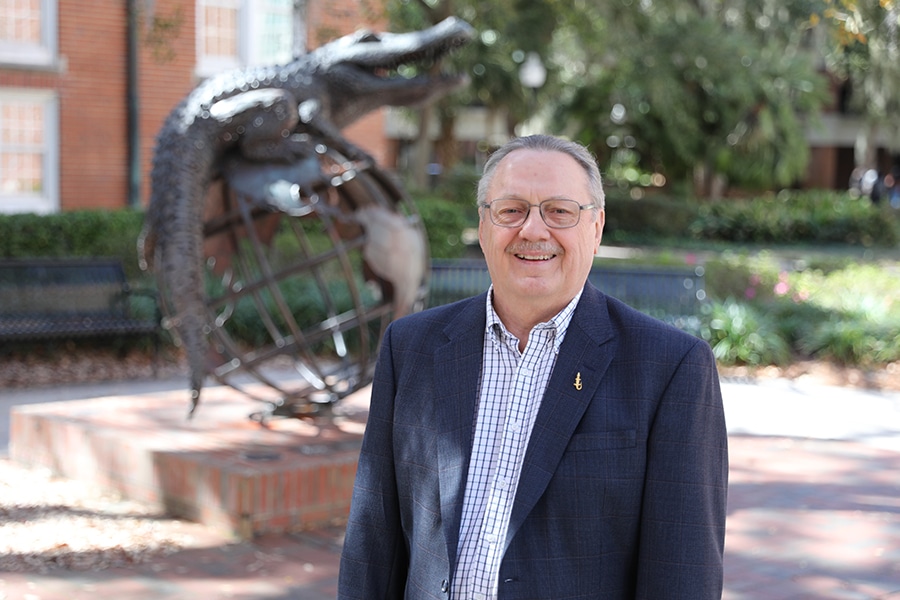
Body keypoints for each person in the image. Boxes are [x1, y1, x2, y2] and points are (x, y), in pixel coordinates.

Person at [338, 134, 728, 599]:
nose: (533, 230)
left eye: (560, 211)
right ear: (485, 226)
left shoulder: (670, 368)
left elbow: (681, 574)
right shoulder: (412, 347)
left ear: (596, 227)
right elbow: (372, 542)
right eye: (511, 210)